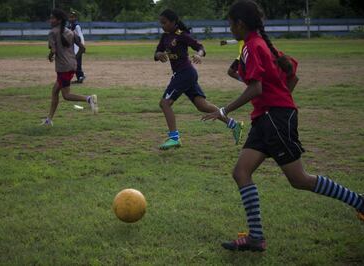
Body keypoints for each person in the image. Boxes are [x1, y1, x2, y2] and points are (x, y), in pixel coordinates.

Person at [202, 0, 363, 252]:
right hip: (266, 118)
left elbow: (256, 88)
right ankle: (256, 237)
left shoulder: (252, 46)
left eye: (230, 24)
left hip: (273, 119)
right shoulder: (261, 44)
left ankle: (360, 202)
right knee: (241, 173)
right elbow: (292, 75)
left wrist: (225, 111)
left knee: (299, 179)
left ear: (240, 24)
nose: (229, 29)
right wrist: (280, 102)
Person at [155, 9, 244, 150]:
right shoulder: (165, 36)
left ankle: (174, 138)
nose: (162, 25)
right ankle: (234, 124)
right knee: (202, 106)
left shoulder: (182, 35)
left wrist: (199, 55)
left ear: (173, 22)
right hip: (183, 74)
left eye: (164, 22)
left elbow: (200, 47)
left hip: (185, 73)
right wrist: (159, 54)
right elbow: (157, 53)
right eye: (161, 23)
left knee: (164, 103)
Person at [42, 8, 98, 126]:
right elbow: (82, 48)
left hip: (63, 68)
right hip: (71, 66)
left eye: (52, 18)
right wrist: (74, 59)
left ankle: (89, 99)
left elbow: (53, 49)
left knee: (66, 95)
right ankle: (49, 120)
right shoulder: (70, 32)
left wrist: (50, 56)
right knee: (54, 91)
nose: (50, 20)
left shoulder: (52, 32)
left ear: (58, 20)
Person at [68, 11, 86, 83]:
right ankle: (80, 76)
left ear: (75, 18)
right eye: (70, 17)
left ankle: (80, 76)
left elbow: (81, 35)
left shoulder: (76, 26)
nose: (71, 18)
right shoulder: (70, 25)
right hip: (72, 47)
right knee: (74, 62)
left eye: (72, 17)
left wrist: (83, 45)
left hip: (78, 47)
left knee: (77, 62)